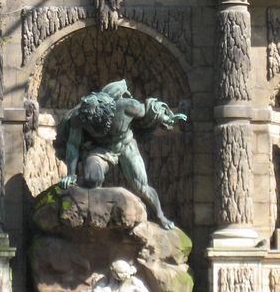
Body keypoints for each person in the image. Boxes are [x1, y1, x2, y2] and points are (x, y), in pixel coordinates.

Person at [55, 80, 186, 230]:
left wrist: (167, 119)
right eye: (89, 123)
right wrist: (71, 174)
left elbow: (149, 112)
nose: (91, 124)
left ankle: (160, 215)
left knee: (141, 187)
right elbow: (73, 144)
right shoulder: (80, 117)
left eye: (95, 121)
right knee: (92, 179)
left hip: (125, 145)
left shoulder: (127, 106)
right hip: (100, 150)